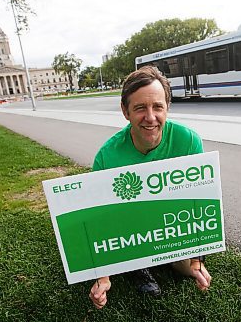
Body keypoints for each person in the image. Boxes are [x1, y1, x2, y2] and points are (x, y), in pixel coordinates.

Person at [89, 66, 212, 309]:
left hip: (173, 226)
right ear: (125, 111)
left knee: (187, 269)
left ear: (167, 107)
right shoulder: (107, 156)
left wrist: (197, 262)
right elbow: (98, 220)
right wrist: (102, 276)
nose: (150, 117)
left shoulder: (188, 141)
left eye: (158, 107)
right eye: (139, 108)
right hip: (132, 232)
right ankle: (138, 268)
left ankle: (176, 261)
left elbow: (199, 204)